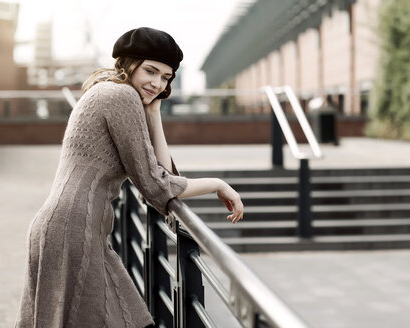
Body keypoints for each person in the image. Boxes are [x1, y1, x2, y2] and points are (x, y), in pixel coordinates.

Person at [14, 27, 244, 328]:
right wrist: (217, 184)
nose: (157, 83)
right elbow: (156, 185)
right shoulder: (120, 96)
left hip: (75, 227)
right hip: (74, 230)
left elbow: (165, 175)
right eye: (150, 71)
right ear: (128, 63)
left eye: (166, 77)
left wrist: (154, 113)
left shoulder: (111, 92)